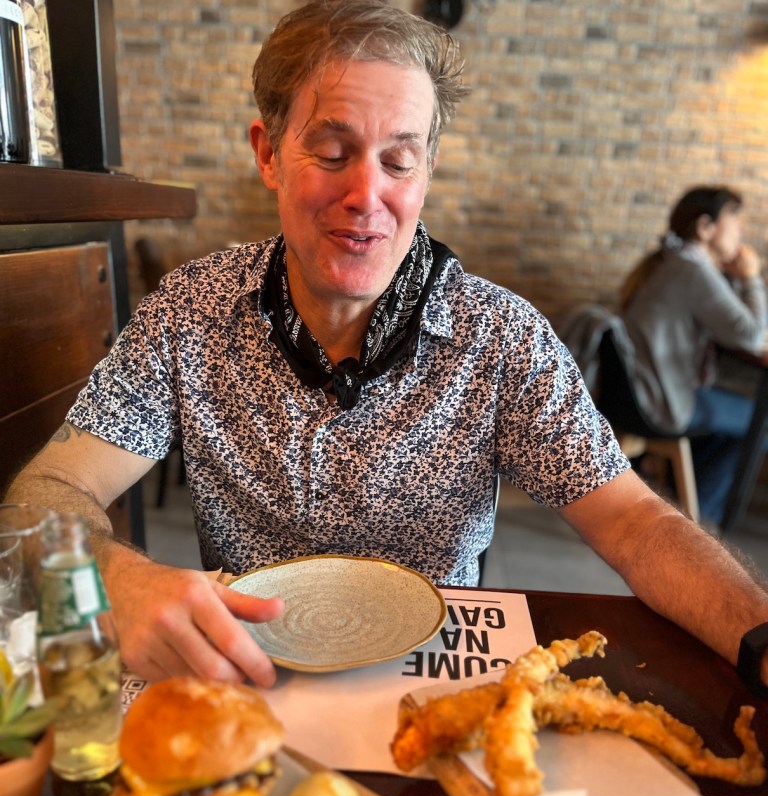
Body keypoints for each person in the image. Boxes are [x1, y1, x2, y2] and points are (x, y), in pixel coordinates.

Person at [5, 1, 768, 692]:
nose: (367, 195)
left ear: (426, 170)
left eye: (399, 160)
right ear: (268, 154)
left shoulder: (500, 338)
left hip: (437, 692)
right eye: (333, 152)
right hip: (244, 682)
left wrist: (760, 638)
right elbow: (45, 493)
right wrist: (112, 577)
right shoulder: (190, 312)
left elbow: (637, 523)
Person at [619, 186, 768, 525]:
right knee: (763, 424)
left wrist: (735, 278)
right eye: (735, 218)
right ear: (705, 227)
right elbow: (750, 334)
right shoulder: (693, 270)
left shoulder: (677, 261)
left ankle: (687, 498)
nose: (742, 229)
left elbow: (733, 324)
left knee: (740, 420)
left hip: (642, 392)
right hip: (664, 401)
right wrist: (751, 277)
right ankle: (701, 516)